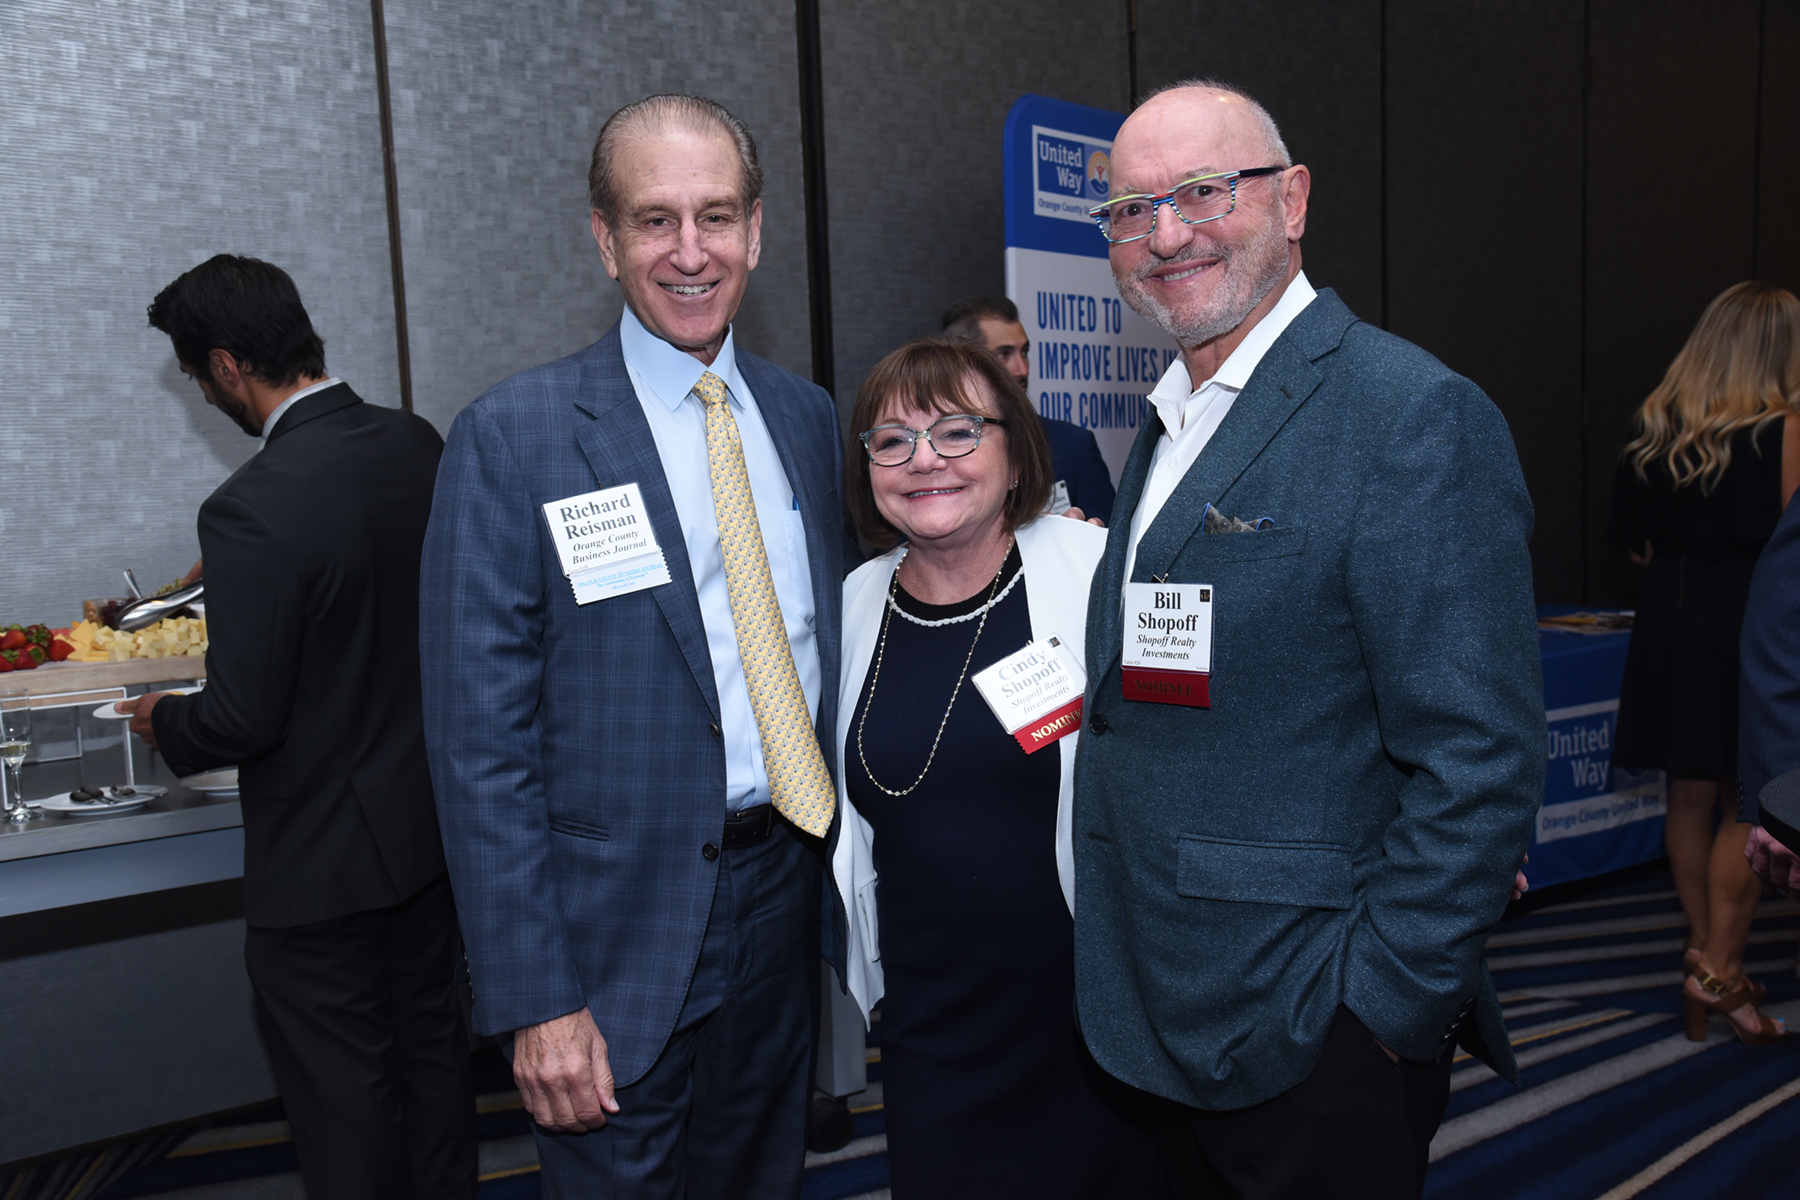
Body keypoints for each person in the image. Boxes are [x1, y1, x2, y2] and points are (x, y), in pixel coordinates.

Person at [1070, 80, 1542, 1198]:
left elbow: (1479, 757)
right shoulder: (1175, 416)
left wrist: (1380, 1009)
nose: (1166, 235)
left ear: (1292, 200)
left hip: (1311, 1027)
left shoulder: (1409, 415)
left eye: (1202, 192)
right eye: (1132, 210)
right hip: (1161, 1003)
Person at [419, 94, 846, 1199]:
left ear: (757, 230)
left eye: (717, 217)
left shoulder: (804, 417)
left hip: (783, 893)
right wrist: (535, 998)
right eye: (657, 220)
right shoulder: (513, 437)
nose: (691, 252)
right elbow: (479, 749)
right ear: (605, 240)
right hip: (608, 940)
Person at [128, 254, 475, 1198]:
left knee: (343, 1105)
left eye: (198, 377)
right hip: (428, 840)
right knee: (433, 1071)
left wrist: (167, 722)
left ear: (227, 364)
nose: (205, 397)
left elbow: (241, 719)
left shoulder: (248, 508)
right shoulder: (414, 443)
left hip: (321, 870)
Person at [829, 337, 1166, 1198]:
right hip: (931, 1025)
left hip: (1091, 1017)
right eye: (893, 440)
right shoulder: (853, 605)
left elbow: (1206, 751)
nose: (924, 460)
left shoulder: (1100, 573)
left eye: (957, 432)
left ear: (1016, 456)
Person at [1609, 281, 1800, 1044]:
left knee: (1687, 797)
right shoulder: (1787, 429)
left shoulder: (1657, 424)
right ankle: (1720, 967)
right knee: (1750, 801)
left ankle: (1704, 948)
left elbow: (1636, 546)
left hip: (1668, 619)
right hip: (1750, 621)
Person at [943, 297, 1116, 523]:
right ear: (964, 363)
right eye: (1004, 354)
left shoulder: (1073, 446)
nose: (1022, 369)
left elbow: (1111, 537)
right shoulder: (931, 452)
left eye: (1024, 352)